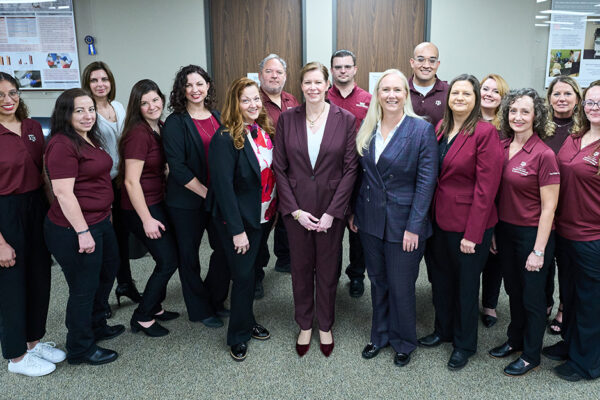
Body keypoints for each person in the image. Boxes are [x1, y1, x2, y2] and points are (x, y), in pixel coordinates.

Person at [351, 69, 437, 367]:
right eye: (385, 89)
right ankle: (379, 335)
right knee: (378, 281)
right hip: (371, 220)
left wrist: (415, 227)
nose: (391, 95)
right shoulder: (368, 127)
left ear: (406, 94)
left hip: (405, 224)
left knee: (401, 285)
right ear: (377, 95)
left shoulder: (420, 129)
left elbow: (426, 184)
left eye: (397, 90)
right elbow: (361, 178)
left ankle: (404, 340)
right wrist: (355, 213)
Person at [418, 74, 503, 371]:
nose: (460, 98)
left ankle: (464, 344)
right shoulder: (441, 127)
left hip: (469, 224)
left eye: (467, 94)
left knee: (466, 286)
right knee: (440, 281)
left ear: (476, 99)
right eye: (456, 93)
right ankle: (443, 330)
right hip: (439, 220)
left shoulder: (484, 132)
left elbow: (486, 188)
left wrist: (474, 233)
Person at [274, 62, 358, 357]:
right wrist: (294, 210)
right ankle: (305, 324)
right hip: (297, 210)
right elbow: (279, 168)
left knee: (327, 269)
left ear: (327, 84)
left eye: (317, 82)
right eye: (307, 82)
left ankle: (325, 324)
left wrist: (333, 212)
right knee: (299, 268)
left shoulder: (345, 119)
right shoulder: (287, 119)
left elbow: (350, 170)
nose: (312, 87)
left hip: (329, 209)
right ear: (301, 86)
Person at [44, 88, 123, 366]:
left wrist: (106, 213)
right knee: (83, 287)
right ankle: (80, 347)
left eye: (91, 109)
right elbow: (64, 194)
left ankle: (97, 325)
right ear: (66, 113)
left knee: (106, 274)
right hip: (73, 229)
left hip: (100, 221)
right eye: (80, 110)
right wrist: (82, 232)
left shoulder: (89, 138)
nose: (88, 115)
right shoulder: (62, 144)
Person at [488, 88, 559, 377]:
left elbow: (549, 208)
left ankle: (531, 354)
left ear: (536, 116)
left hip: (533, 234)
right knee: (513, 290)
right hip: (505, 230)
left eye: (525, 111)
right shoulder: (502, 146)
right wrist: (493, 231)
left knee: (532, 297)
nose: (517, 116)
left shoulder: (544, 154)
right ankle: (515, 339)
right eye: (513, 110)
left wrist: (539, 251)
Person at [0, 72, 66, 376]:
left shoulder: (31, 128)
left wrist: (56, 210)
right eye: (0, 95)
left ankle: (32, 342)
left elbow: (43, 174)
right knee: (12, 285)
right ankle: (15, 356)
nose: (8, 100)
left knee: (40, 277)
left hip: (36, 206)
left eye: (13, 93)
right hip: (6, 212)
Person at [207, 77, 275, 361]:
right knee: (243, 277)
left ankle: (246, 320)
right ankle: (237, 334)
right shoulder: (224, 137)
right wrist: (237, 231)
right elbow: (223, 189)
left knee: (250, 274)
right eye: (245, 100)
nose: (253, 104)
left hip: (263, 215)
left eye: (256, 99)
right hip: (239, 221)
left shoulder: (261, 131)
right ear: (235, 103)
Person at [162, 65, 228, 328]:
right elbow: (177, 168)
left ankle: (214, 298)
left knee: (224, 250)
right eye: (188, 85)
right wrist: (206, 193)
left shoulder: (218, 116)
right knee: (188, 256)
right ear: (182, 90)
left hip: (217, 198)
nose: (195, 90)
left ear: (208, 85)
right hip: (186, 201)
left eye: (199, 84)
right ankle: (200, 309)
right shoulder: (176, 123)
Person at [547, 80, 600, 382]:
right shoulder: (576, 137)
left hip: (592, 236)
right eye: (590, 102)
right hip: (565, 232)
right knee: (570, 295)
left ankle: (587, 363)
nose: (594, 108)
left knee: (591, 300)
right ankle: (569, 345)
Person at [118, 80, 180, 337]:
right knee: (167, 261)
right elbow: (131, 181)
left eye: (155, 100)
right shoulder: (137, 134)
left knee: (167, 257)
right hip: (139, 206)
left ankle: (153, 307)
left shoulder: (160, 127)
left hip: (157, 200)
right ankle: (142, 316)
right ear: (137, 107)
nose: (152, 106)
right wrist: (146, 219)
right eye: (144, 103)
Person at [81, 62, 142, 314]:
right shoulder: (87, 111)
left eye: (104, 79)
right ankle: (101, 296)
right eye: (94, 80)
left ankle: (125, 283)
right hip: (101, 183)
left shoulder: (117, 106)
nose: (100, 84)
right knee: (107, 242)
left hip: (122, 180)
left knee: (122, 236)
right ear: (88, 84)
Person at [328, 49, 371, 298]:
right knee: (330, 228)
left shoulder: (369, 98)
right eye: (338, 67)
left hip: (361, 174)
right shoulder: (322, 97)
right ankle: (328, 276)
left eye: (347, 66)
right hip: (330, 175)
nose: (343, 71)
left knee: (358, 230)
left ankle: (356, 275)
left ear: (355, 69)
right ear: (332, 70)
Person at [543, 76, 583, 337]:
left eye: (567, 94)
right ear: (549, 99)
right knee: (543, 261)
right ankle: (545, 301)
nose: (561, 99)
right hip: (543, 208)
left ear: (577, 98)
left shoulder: (584, 129)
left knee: (567, 265)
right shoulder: (540, 127)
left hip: (571, 208)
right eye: (556, 94)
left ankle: (563, 308)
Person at [257, 54, 300, 280]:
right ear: (260, 75)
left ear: (285, 76)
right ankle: (258, 272)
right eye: (269, 71)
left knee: (287, 215)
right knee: (263, 223)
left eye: (279, 72)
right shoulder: (253, 101)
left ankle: (284, 259)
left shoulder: (291, 100)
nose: (274, 76)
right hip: (263, 173)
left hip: (289, 172)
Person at [478, 73, 510, 328]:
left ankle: (489, 304)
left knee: (495, 255)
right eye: (485, 88)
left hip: (501, 199)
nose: (489, 94)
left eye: (495, 91)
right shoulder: (466, 120)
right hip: (472, 199)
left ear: (502, 98)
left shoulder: (508, 126)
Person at [408, 42, 449, 127]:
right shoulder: (401, 90)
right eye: (420, 59)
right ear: (412, 62)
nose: (426, 65)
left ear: (438, 64)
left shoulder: (449, 92)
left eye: (432, 61)